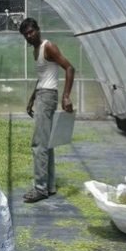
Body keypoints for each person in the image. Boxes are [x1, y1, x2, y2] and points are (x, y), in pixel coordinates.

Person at [19, 18, 75, 203]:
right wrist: (31, 99)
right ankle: (49, 186)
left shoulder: (48, 46)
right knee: (47, 143)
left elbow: (69, 68)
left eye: (31, 31)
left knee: (39, 144)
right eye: (26, 34)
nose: (29, 36)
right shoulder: (36, 51)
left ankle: (40, 189)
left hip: (48, 96)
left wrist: (66, 96)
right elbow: (42, 77)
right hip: (42, 94)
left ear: (38, 29)